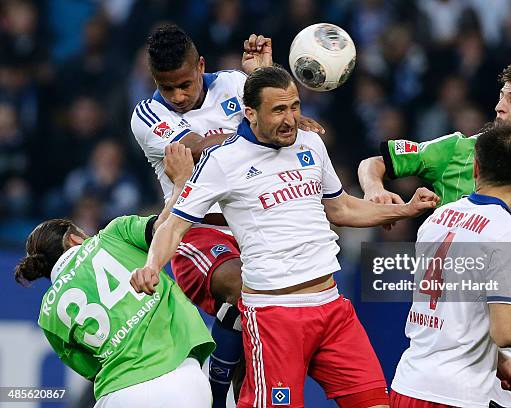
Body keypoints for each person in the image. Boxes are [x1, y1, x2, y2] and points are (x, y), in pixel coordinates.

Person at [131, 65, 441, 408]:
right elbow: (175, 225)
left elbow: (342, 210)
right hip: (276, 315)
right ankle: (218, 389)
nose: (291, 119)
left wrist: (405, 209)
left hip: (332, 307)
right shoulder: (222, 161)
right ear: (249, 113)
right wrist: (151, 266)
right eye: (279, 110)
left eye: (295, 107)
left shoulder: (310, 143)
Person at [358, 61, 511, 407]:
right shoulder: (460, 149)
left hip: (510, 320)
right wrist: (373, 189)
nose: (499, 106)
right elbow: (375, 162)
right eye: (501, 97)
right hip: (453, 327)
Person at [130, 24, 323, 405]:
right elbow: (200, 148)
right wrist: (263, 125)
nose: (178, 96)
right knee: (246, 287)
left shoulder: (236, 82)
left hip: (255, 224)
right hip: (196, 231)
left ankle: (230, 389)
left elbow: (276, 119)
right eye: (167, 87)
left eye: (185, 84)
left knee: (260, 328)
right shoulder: (148, 115)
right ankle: (217, 394)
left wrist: (266, 80)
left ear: (201, 65)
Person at [14, 144, 215, 407]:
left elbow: (91, 367)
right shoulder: (114, 233)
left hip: (118, 394)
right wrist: (181, 184)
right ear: (75, 239)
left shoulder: (48, 315)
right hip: (180, 380)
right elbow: (166, 228)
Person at [390, 123, 511, 408]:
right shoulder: (508, 232)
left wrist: (498, 362)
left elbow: (455, 318)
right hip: (456, 396)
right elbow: (506, 332)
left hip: (407, 384)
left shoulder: (437, 217)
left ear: (475, 169)